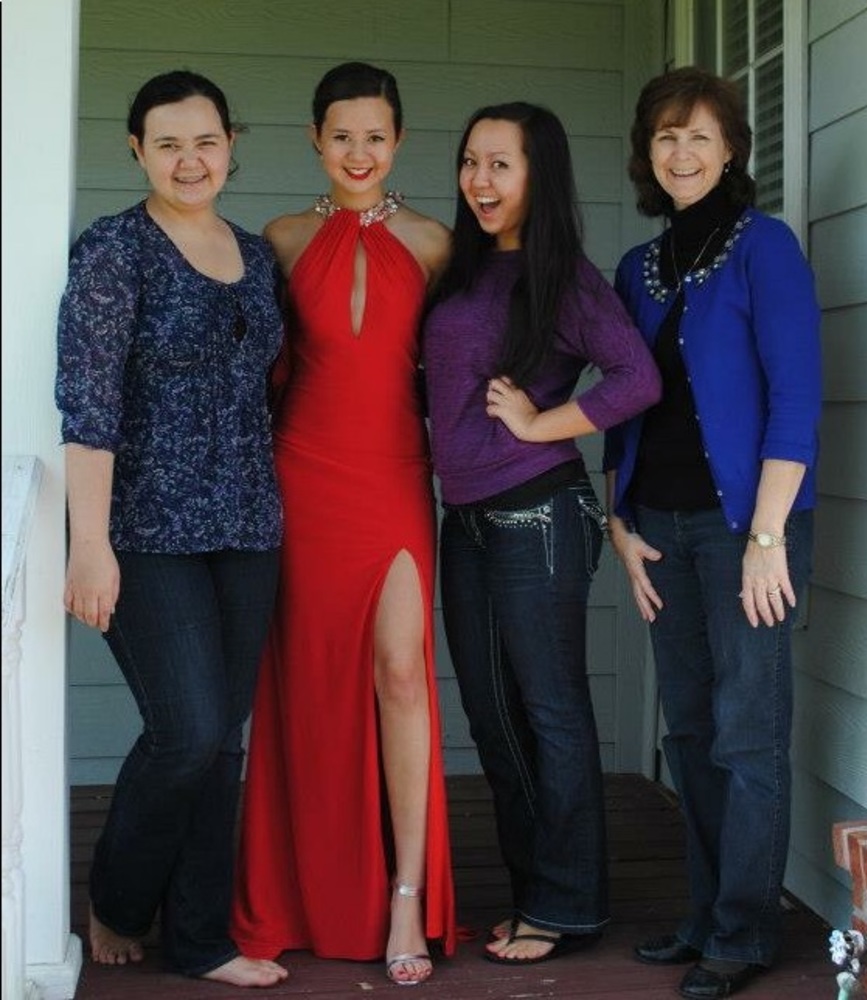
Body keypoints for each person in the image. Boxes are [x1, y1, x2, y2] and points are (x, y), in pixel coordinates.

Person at [55, 70, 289, 988]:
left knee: (223, 739)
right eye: (167, 145)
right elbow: (88, 406)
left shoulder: (256, 257)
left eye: (205, 142)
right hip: (146, 530)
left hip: (248, 524)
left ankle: (202, 940)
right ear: (137, 151)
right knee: (186, 731)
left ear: (231, 144)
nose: (189, 161)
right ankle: (116, 899)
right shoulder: (114, 251)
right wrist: (89, 543)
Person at [229, 62, 456, 987]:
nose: (358, 154)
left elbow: (463, 359)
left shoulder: (435, 243)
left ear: (398, 141)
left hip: (395, 476)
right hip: (302, 478)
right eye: (341, 136)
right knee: (310, 686)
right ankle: (300, 891)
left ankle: (405, 892)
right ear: (316, 140)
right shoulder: (279, 240)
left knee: (401, 674)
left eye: (376, 136)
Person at [422, 102, 661, 966]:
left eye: (501, 164)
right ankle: (536, 891)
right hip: (465, 519)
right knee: (492, 717)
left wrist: (540, 423)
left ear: (538, 175)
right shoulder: (460, 269)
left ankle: (568, 906)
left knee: (551, 712)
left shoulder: (563, 278)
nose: (479, 181)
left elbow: (637, 377)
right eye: (470, 162)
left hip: (539, 516)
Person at [604, 66, 822, 1000]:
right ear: (647, 153)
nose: (682, 152)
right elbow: (621, 404)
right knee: (690, 730)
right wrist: (618, 524)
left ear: (731, 149)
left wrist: (768, 539)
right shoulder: (638, 268)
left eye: (699, 135)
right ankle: (704, 913)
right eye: (666, 136)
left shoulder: (764, 247)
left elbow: (797, 397)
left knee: (747, 733)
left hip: (746, 530)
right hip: (658, 529)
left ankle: (743, 930)